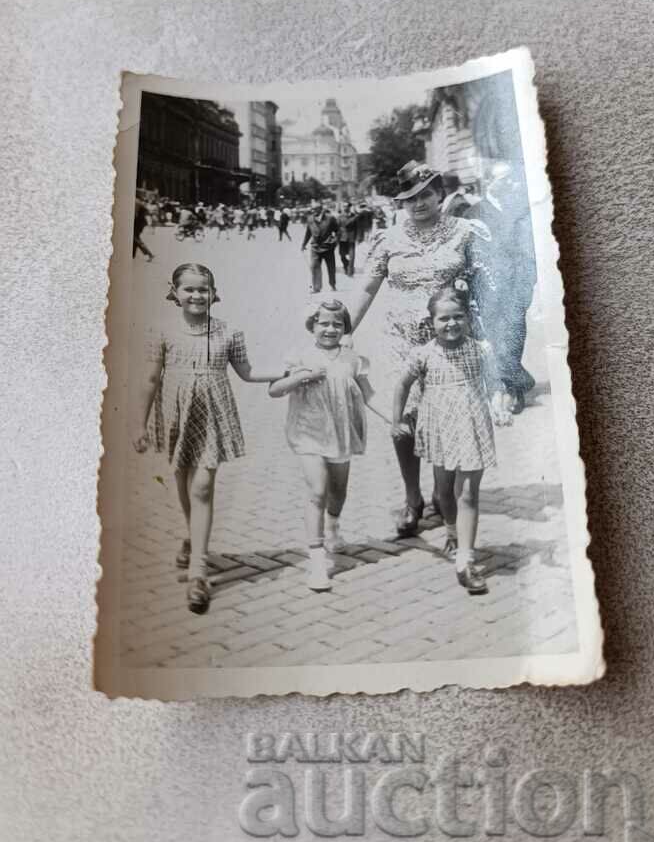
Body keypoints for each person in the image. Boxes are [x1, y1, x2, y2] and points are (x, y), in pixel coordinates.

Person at [349, 160, 493, 536]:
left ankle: (440, 491)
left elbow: (488, 287)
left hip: (449, 344)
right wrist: (343, 332)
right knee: (405, 422)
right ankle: (412, 498)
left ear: (439, 194)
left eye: (425, 194)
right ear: (401, 204)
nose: (418, 204)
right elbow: (366, 288)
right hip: (401, 343)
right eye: (409, 198)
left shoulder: (464, 232)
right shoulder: (388, 239)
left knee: (447, 417)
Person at [132, 263, 280, 614]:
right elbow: (151, 379)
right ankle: (192, 536)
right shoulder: (162, 331)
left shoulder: (229, 332)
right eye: (190, 289)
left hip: (212, 412)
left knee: (201, 487)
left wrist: (289, 371)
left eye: (204, 289)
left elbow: (248, 372)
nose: (197, 295)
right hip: (176, 412)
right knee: (181, 480)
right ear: (175, 292)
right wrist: (138, 424)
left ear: (214, 293)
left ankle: (198, 570)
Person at [393, 285, 507, 596]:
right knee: (444, 489)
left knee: (468, 492)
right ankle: (453, 532)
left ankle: (466, 563)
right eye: (444, 319)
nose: (452, 324)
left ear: (468, 318)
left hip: (472, 425)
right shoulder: (423, 354)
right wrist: (397, 421)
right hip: (440, 427)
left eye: (458, 317)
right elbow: (402, 386)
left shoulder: (481, 350)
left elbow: (496, 383)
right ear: (432, 322)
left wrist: (498, 403)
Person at [269, 298, 387, 591]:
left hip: (341, 432)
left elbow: (369, 395)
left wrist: (394, 419)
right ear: (312, 325)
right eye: (324, 323)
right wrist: (302, 377)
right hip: (308, 432)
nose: (330, 329)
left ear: (345, 328)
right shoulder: (299, 356)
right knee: (317, 491)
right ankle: (317, 561)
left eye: (337, 324)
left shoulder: (352, 359)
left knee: (338, 493)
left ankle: (333, 526)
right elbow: (274, 390)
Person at [471, 161, 537, 413]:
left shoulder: (520, 209)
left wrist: (529, 278)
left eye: (511, 178)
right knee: (496, 337)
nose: (510, 183)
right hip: (488, 285)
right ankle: (514, 385)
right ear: (489, 181)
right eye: (503, 179)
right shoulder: (474, 212)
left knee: (515, 334)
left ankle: (512, 384)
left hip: (518, 284)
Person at [301, 201, 339, 293]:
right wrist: (303, 244)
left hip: (328, 247)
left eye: (315, 209)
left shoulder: (330, 218)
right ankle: (316, 287)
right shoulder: (310, 219)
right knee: (314, 266)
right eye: (312, 209)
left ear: (321, 209)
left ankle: (332, 284)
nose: (313, 211)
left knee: (331, 267)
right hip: (315, 247)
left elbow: (337, 230)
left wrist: (335, 241)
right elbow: (308, 233)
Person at [337, 202, 359, 276]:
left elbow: (357, 228)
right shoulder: (340, 216)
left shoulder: (354, 216)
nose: (345, 208)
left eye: (346, 206)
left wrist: (357, 237)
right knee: (342, 255)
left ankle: (350, 272)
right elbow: (337, 227)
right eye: (344, 206)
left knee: (352, 256)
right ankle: (346, 265)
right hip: (342, 239)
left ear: (350, 207)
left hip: (351, 238)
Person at [133, 195, 153, 261]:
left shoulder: (136, 202)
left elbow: (135, 215)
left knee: (135, 238)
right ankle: (132, 255)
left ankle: (149, 254)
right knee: (134, 239)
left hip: (137, 223)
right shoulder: (138, 202)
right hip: (140, 223)